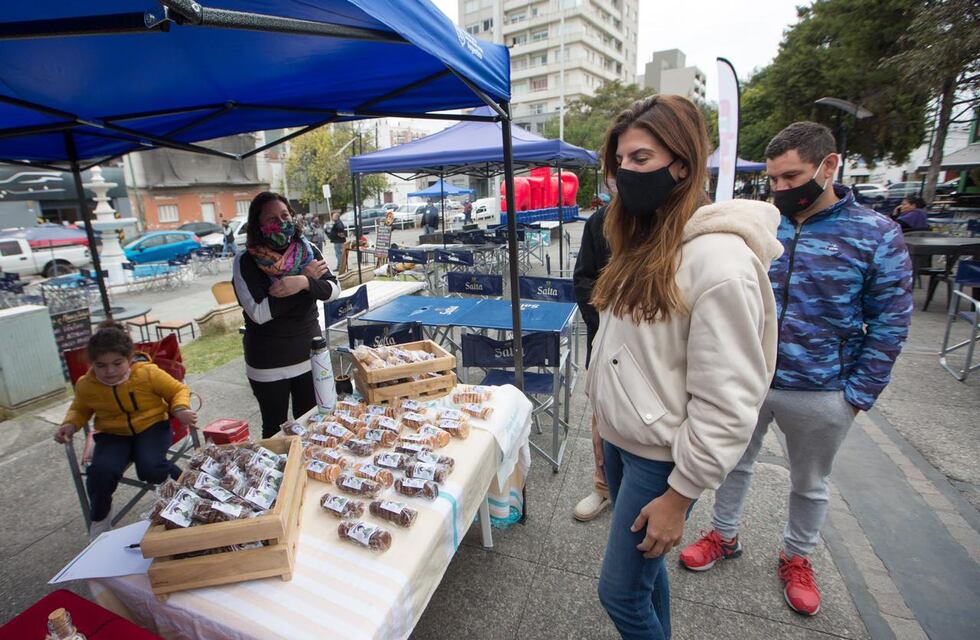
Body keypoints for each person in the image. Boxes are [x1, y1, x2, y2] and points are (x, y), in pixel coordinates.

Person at [679, 122, 913, 617]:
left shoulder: (875, 233)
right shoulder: (762, 226)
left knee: (810, 482)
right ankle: (724, 534)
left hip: (822, 388)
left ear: (829, 166)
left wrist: (855, 395)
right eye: (775, 181)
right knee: (732, 463)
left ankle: (797, 555)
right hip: (748, 379)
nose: (782, 189)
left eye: (792, 177)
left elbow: (891, 321)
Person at [586, 95, 783, 639]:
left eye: (642, 159)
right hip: (629, 444)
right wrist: (604, 422)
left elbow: (729, 401)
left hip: (661, 459)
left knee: (621, 592)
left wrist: (680, 495)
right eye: (621, 161)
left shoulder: (720, 262)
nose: (626, 173)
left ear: (683, 163)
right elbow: (626, 349)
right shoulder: (643, 239)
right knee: (646, 582)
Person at [53, 323, 197, 540]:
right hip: (112, 435)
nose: (109, 371)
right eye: (100, 365)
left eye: (117, 363)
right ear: (92, 364)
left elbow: (177, 389)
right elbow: (80, 409)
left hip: (152, 427)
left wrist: (180, 409)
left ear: (130, 358)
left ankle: (191, 489)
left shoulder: (147, 373)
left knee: (150, 467)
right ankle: (100, 519)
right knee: (100, 472)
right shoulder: (86, 384)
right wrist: (70, 425)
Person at [233, 192, 341, 438]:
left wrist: (301, 282)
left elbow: (333, 290)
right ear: (258, 226)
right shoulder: (246, 262)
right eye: (271, 218)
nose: (281, 222)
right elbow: (259, 312)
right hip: (269, 365)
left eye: (284, 215)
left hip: (309, 357)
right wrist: (306, 284)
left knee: (313, 425)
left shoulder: (307, 249)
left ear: (293, 217)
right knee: (275, 432)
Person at [572, 190, 612, 522]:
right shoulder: (599, 221)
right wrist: (604, 321)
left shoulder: (675, 221)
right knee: (601, 426)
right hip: (606, 347)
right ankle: (603, 488)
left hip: (659, 361)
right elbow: (583, 278)